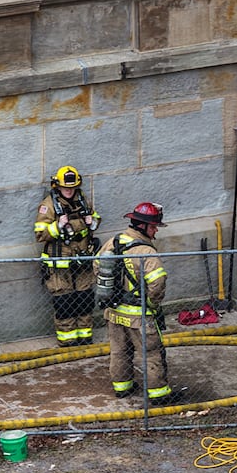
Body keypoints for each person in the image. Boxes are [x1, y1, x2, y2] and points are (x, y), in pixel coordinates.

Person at [102, 202, 176, 404]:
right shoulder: (146, 252)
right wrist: (153, 304)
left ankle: (122, 388)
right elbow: (158, 282)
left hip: (114, 312)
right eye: (153, 227)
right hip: (139, 316)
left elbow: (97, 267)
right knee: (152, 353)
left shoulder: (112, 243)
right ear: (142, 226)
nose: (155, 231)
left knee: (119, 351)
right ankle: (158, 395)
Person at [34, 165, 100, 346]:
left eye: (72, 187)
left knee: (85, 300)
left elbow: (95, 220)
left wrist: (92, 221)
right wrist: (58, 226)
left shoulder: (82, 200)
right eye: (65, 188)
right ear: (57, 186)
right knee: (65, 303)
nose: (69, 191)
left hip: (83, 260)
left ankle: (85, 338)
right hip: (59, 266)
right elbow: (40, 234)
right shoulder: (48, 206)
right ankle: (68, 342)